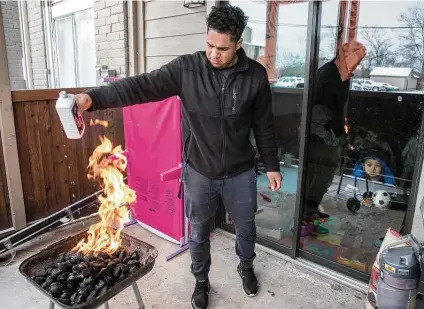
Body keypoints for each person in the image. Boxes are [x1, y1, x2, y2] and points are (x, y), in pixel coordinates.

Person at [75, 5, 282, 309]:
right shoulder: (187, 70)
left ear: (238, 44)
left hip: (240, 171)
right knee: (198, 232)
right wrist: (92, 99)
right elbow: (141, 86)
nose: (214, 53)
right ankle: (201, 281)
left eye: (222, 48)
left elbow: (263, 124)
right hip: (199, 170)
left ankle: (246, 267)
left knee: (246, 227)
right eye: (209, 45)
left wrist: (273, 165)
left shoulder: (254, 77)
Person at [303, 39, 366, 227]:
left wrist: (343, 135)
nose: (354, 66)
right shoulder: (328, 76)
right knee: (317, 176)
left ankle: (312, 208)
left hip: (332, 136)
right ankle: (306, 212)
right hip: (321, 138)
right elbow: (314, 113)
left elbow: (339, 109)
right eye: (353, 61)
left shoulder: (342, 75)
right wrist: (328, 137)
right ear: (342, 57)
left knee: (325, 177)